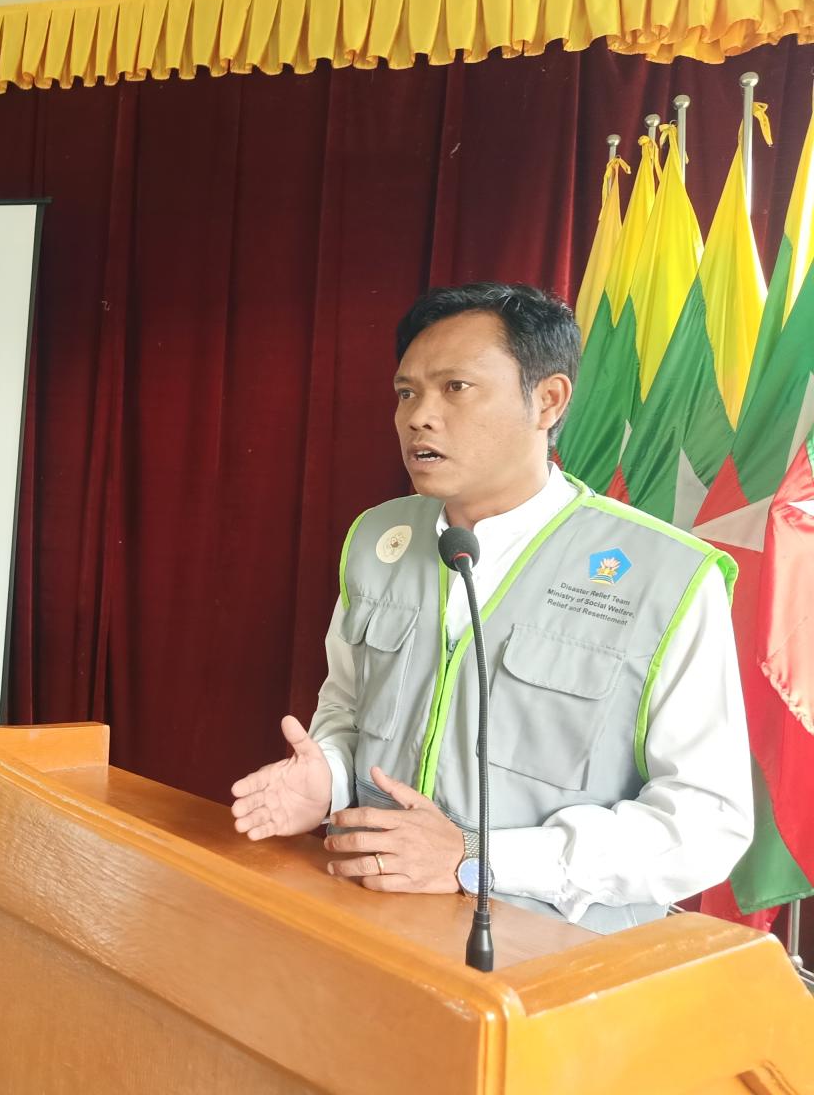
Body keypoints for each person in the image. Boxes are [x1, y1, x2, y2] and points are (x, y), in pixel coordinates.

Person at [229, 283, 752, 932]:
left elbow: (706, 823)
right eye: (406, 392)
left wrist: (477, 859)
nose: (418, 416)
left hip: (551, 956)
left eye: (455, 387)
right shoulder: (378, 539)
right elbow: (347, 710)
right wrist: (329, 778)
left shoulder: (664, 575)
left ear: (547, 400)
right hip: (367, 923)